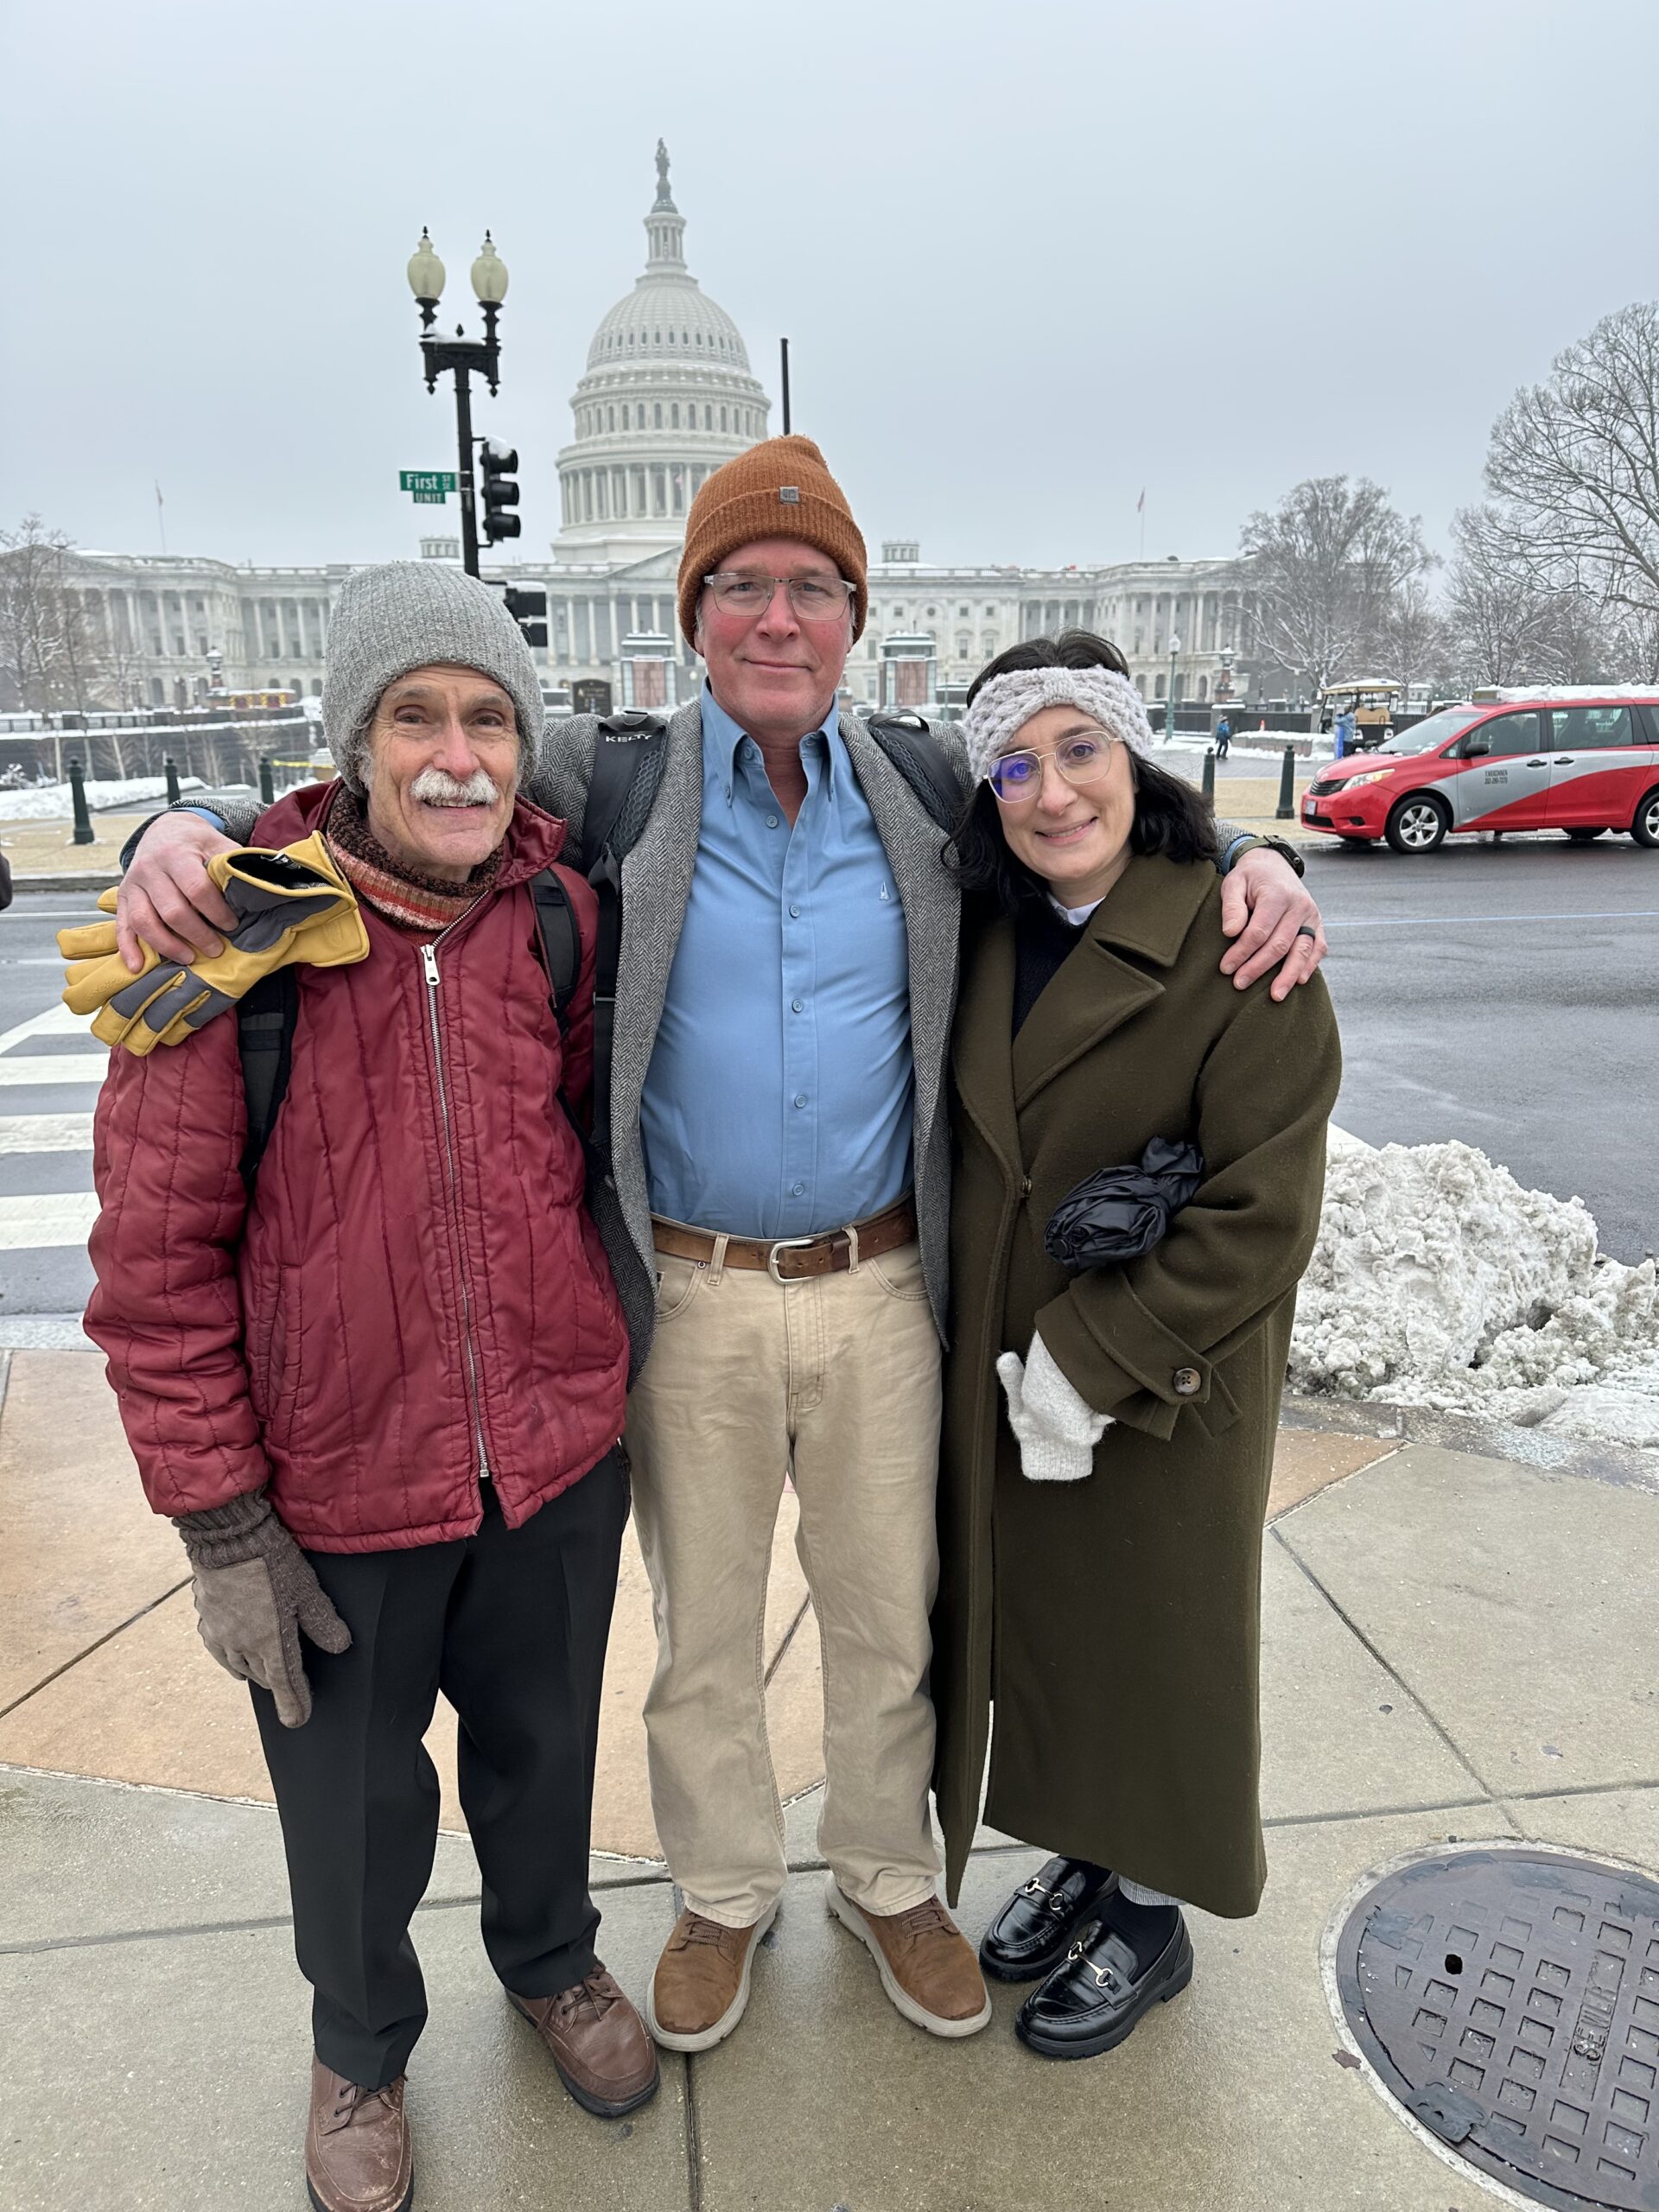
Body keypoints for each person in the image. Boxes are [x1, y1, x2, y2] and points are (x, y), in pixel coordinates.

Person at [112, 437, 1329, 2056]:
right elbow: (397, 781)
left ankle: (891, 1876)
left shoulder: (926, 786)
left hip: (889, 1285)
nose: (777, 619)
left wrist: (1260, 855)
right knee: (701, 1638)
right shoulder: (603, 779)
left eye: (810, 589)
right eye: (741, 587)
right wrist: (181, 831)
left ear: (852, 617)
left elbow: (1098, 817)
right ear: (691, 615)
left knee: (890, 1614)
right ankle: (726, 1893)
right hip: (687, 1295)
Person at [84, 564, 658, 2212]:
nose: (460, 757)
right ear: (353, 745)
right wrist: (219, 1525)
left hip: (547, 1455)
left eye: (489, 719)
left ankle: (553, 1958)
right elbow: (154, 1271)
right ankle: (360, 2048)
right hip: (334, 1486)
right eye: (418, 716)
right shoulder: (224, 946)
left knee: (545, 1753)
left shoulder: (558, 921)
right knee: (349, 1808)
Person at [930, 631, 1339, 2063]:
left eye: (1079, 749)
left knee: (1158, 1648)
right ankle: (1094, 1853)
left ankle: (1152, 1912)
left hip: (1165, 1382)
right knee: (1059, 1639)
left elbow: (1264, 1206)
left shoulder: (1238, 938)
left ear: (1134, 753)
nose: (1050, 793)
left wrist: (1091, 1361)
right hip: (1007, 1376)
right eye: (1017, 766)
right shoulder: (985, 924)